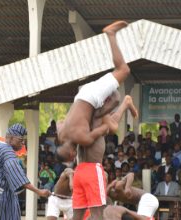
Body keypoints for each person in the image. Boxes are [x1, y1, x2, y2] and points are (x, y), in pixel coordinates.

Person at [57, 20, 138, 162]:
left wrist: (103, 114)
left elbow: (104, 129)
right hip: (82, 97)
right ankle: (126, 103)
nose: (76, 156)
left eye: (73, 157)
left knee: (123, 71)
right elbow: (59, 122)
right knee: (113, 127)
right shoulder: (61, 135)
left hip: (93, 98)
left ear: (71, 153)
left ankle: (111, 34)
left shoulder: (83, 139)